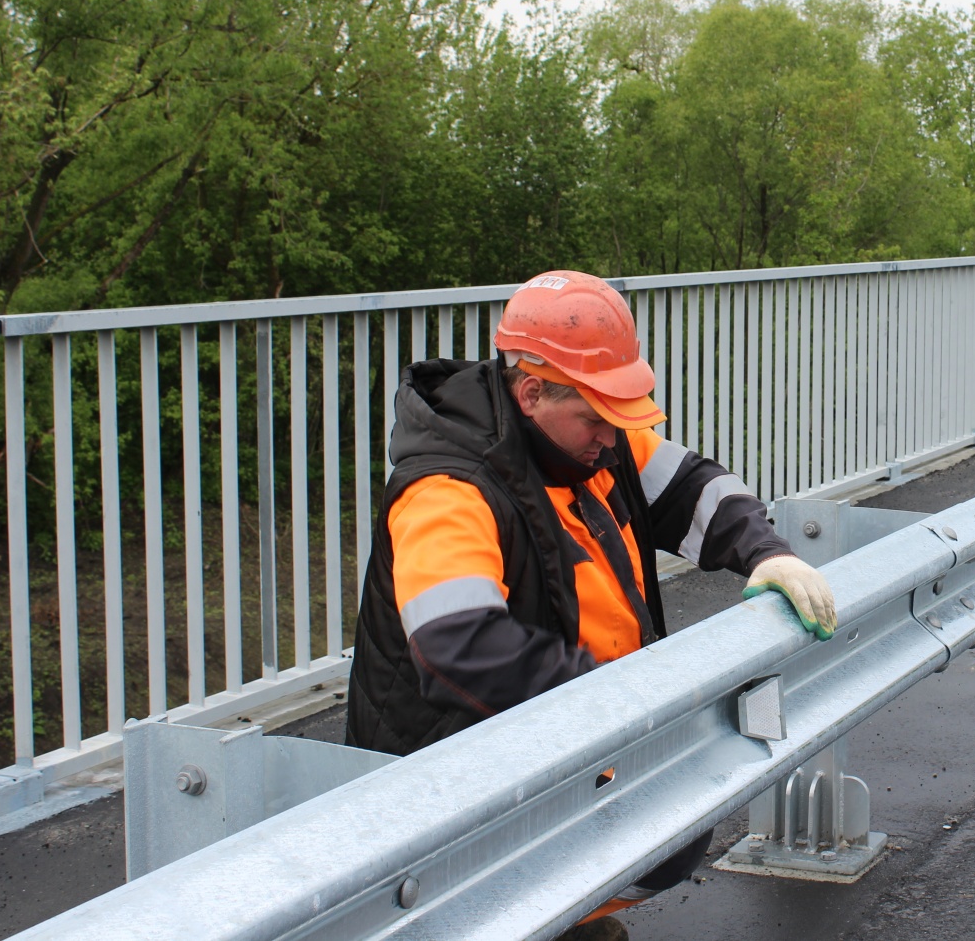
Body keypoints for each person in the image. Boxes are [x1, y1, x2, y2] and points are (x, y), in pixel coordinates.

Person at [345, 270, 837, 941]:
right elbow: (457, 640)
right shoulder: (446, 489)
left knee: (671, 829)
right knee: (656, 833)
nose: (612, 437)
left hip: (559, 756)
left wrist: (766, 550)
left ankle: (569, 917)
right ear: (532, 391)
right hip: (463, 788)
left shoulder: (589, 440)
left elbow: (695, 487)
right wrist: (619, 706)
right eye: (597, 418)